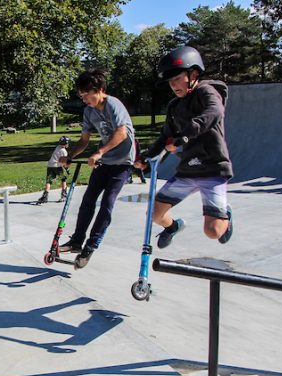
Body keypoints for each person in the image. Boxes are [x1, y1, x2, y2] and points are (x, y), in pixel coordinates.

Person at [135, 46, 233, 249]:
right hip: (188, 170)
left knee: (213, 232)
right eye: (170, 82)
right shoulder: (174, 106)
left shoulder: (206, 91)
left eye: (177, 79)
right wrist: (146, 157)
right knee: (153, 214)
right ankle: (172, 227)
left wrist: (185, 134)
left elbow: (214, 112)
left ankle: (226, 216)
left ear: (194, 73)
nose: (174, 85)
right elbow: (165, 137)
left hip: (213, 168)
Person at [58, 69, 136, 269]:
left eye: (87, 95)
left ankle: (91, 246)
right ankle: (77, 240)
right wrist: (71, 157)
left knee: (107, 203)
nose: (85, 100)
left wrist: (99, 152)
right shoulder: (89, 112)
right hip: (105, 163)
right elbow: (84, 140)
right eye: (82, 96)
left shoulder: (113, 104)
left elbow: (122, 133)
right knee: (88, 200)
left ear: (100, 89)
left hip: (123, 163)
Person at [36, 136, 70, 204]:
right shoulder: (64, 151)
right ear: (66, 143)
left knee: (48, 181)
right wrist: (67, 169)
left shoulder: (57, 147)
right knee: (63, 179)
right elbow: (64, 162)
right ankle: (64, 195)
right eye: (68, 143)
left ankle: (45, 197)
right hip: (57, 167)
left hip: (50, 166)